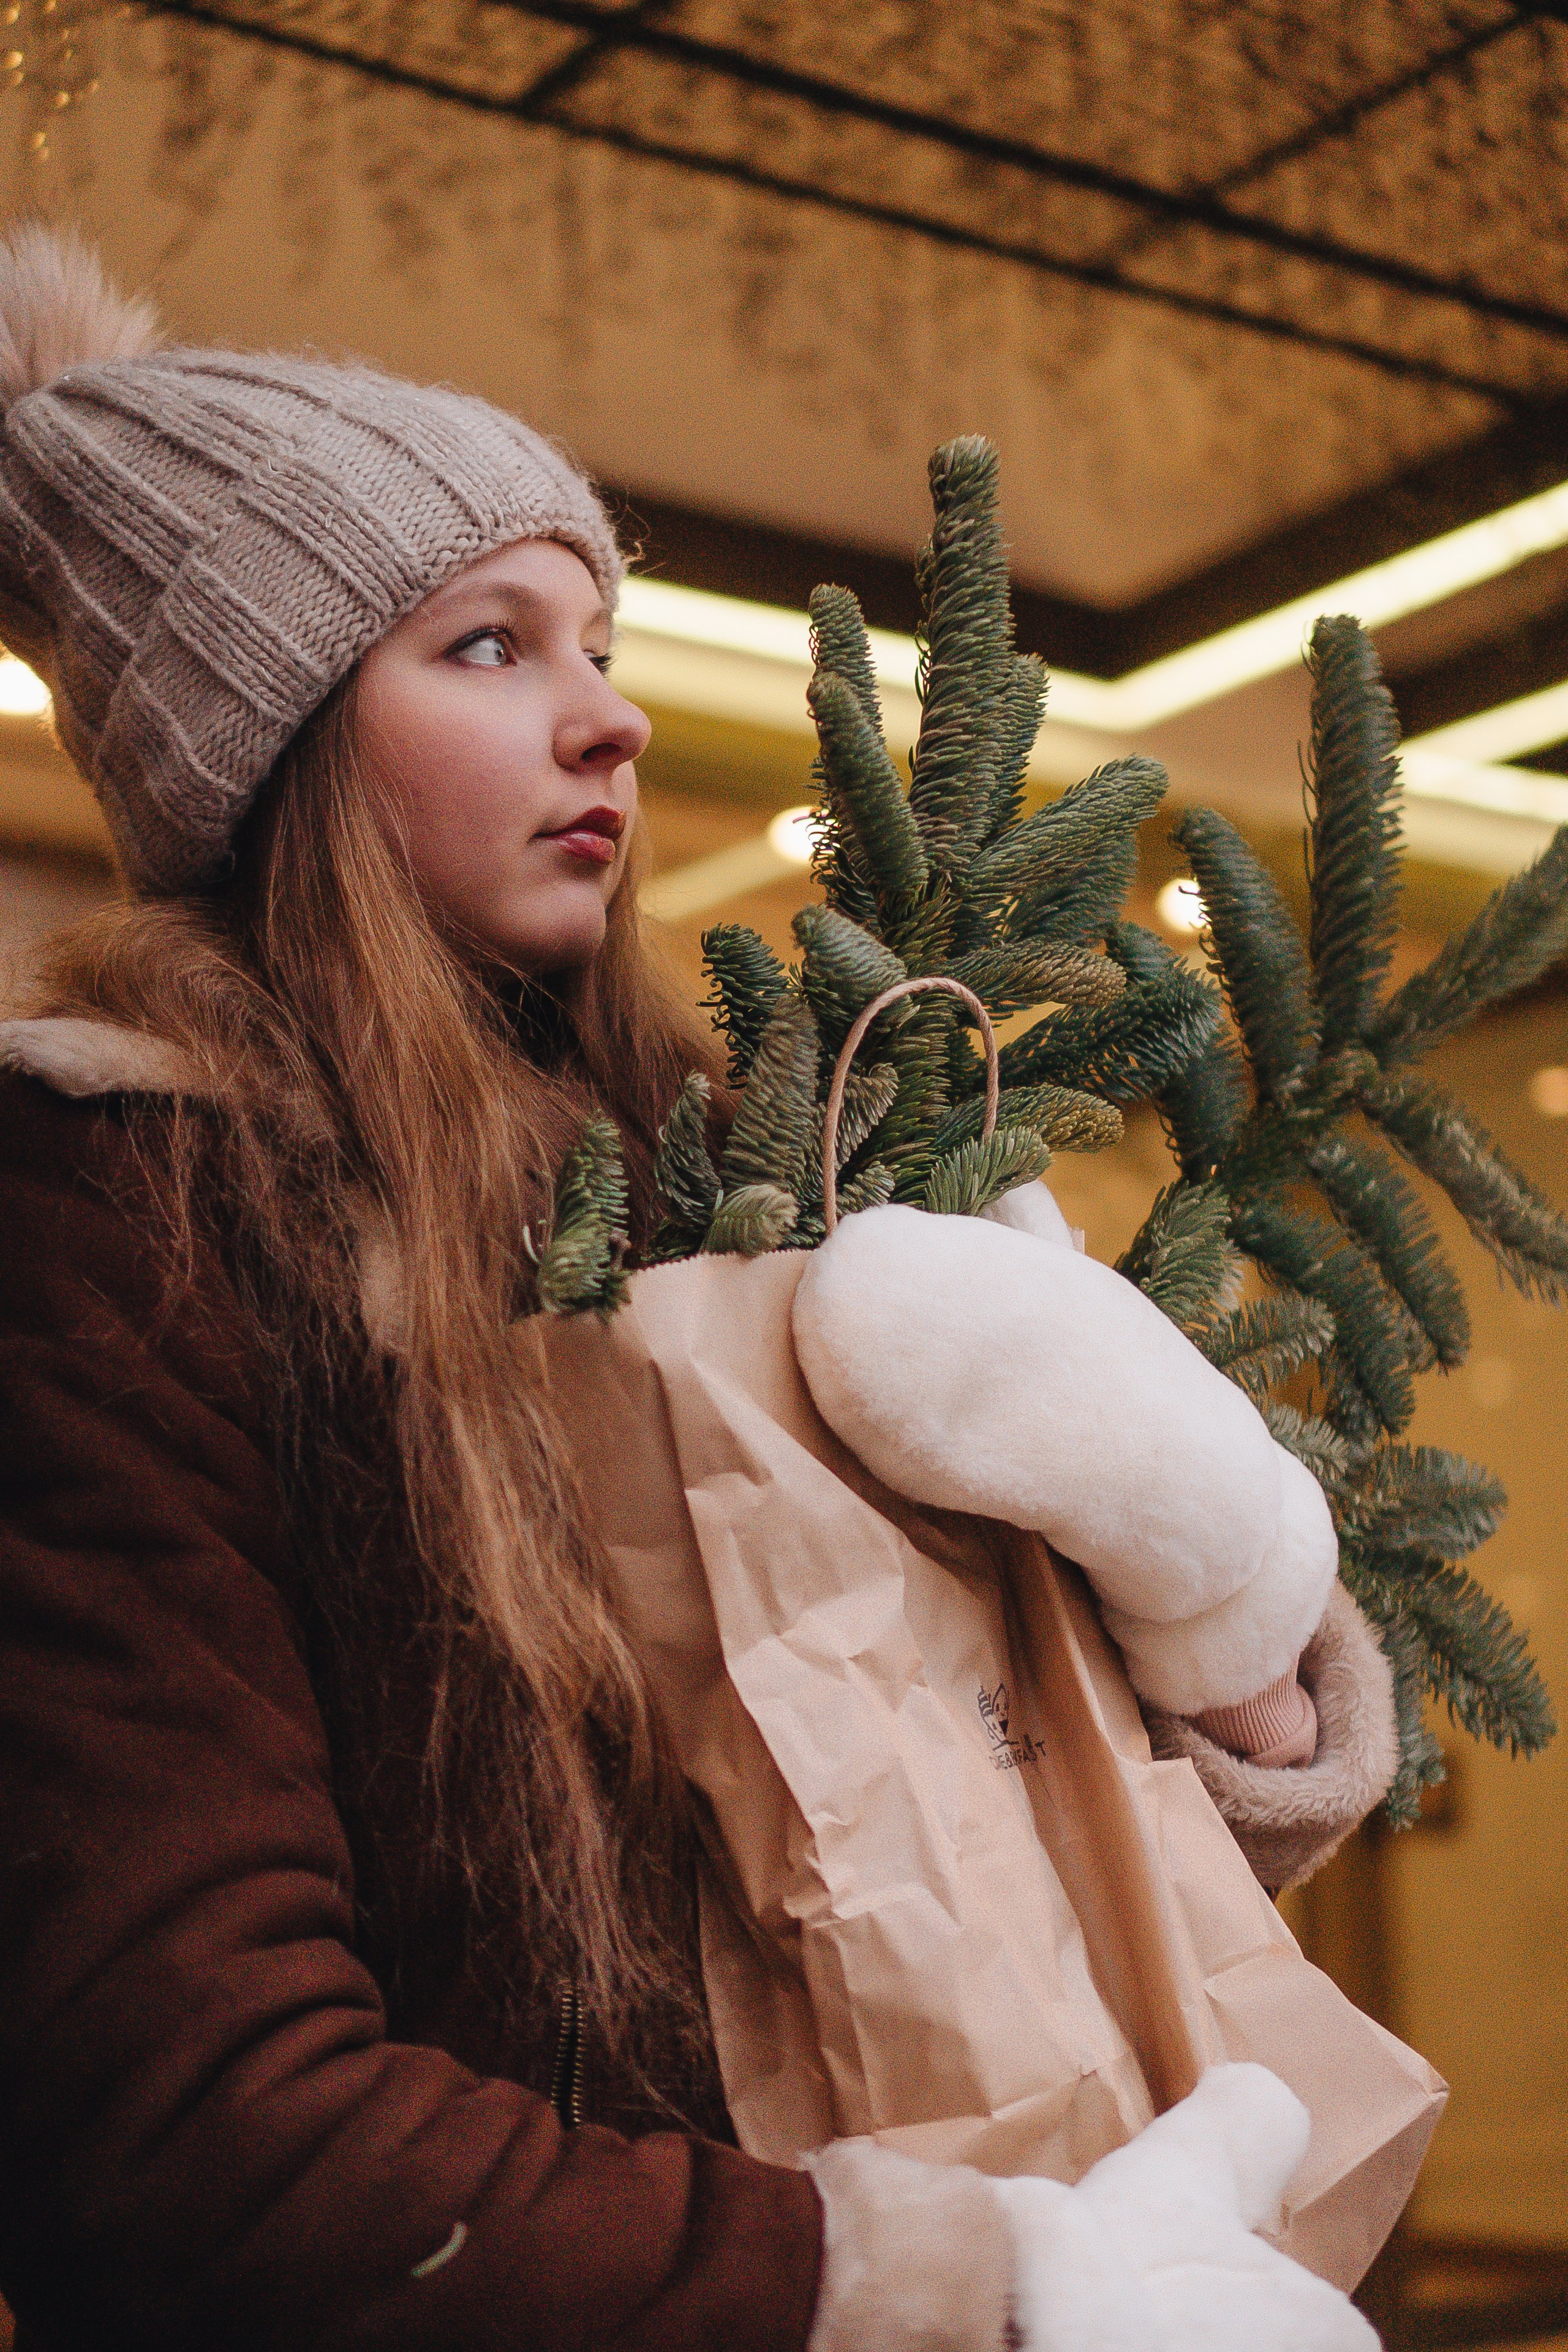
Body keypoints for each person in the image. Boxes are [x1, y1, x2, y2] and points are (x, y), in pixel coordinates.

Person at [0, 225, 1396, 2351]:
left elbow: (998, 1830)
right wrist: (956, 2284)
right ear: (265, 744)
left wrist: (1206, 1585)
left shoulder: (746, 1183)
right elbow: (190, 2120)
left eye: (600, 637)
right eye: (488, 646)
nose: (615, 716)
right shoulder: (120, 1230)